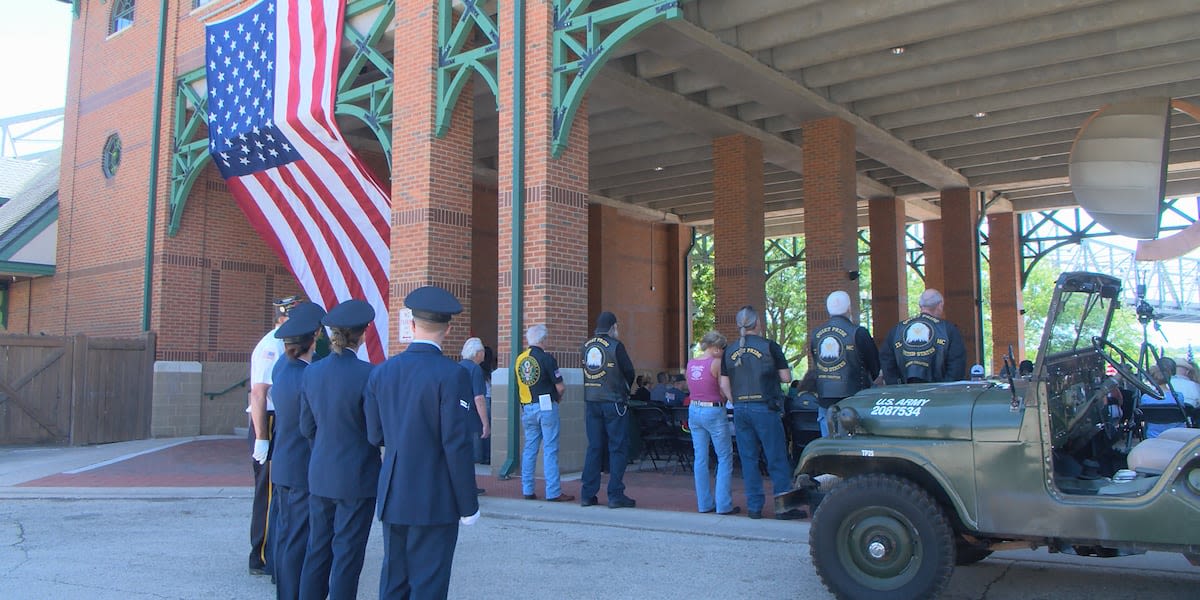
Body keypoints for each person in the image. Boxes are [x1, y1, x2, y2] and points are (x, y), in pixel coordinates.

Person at [363, 286, 480, 600]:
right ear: (448, 329)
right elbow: (456, 445)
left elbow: (375, 435)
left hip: (394, 492)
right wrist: (468, 504)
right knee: (428, 585)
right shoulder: (452, 375)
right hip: (434, 496)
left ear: (412, 325)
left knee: (394, 583)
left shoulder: (382, 373)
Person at [298, 299, 380, 600]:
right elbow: (375, 433)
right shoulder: (368, 374)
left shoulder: (312, 373)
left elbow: (306, 428)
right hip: (357, 477)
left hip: (320, 472)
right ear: (363, 333)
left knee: (317, 551)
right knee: (347, 555)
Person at [266, 301, 325, 600]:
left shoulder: (282, 369)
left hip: (285, 461)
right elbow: (312, 425)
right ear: (312, 339)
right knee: (299, 538)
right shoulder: (309, 376)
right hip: (302, 464)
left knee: (287, 532)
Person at [721, 305, 798, 520]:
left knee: (748, 459)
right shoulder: (769, 346)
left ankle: (754, 507)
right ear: (758, 324)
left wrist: (735, 401)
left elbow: (724, 383)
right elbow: (785, 378)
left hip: (741, 409)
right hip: (764, 406)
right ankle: (784, 506)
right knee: (776, 457)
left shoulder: (730, 350)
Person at [248, 294, 302, 577]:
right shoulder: (271, 346)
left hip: (279, 418)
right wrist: (261, 436)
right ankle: (261, 555)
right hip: (267, 420)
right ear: (281, 319)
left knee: (279, 489)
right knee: (268, 491)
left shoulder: (286, 344)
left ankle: (274, 552)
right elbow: (259, 393)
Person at [580, 311, 638, 509]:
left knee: (594, 447)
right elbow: (629, 371)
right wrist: (625, 390)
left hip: (591, 400)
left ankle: (587, 494)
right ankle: (615, 494)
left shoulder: (586, 346)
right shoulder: (616, 346)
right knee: (617, 447)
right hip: (613, 401)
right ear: (613, 327)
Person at [515, 324, 574, 503]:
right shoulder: (548, 359)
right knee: (550, 449)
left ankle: (527, 489)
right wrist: (558, 398)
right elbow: (560, 387)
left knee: (529, 449)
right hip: (546, 406)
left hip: (527, 407)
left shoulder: (520, 359)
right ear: (542, 340)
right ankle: (553, 491)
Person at [809, 290, 880, 437]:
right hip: (855, 401)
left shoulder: (815, 334)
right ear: (849, 308)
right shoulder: (858, 333)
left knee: (829, 449)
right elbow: (875, 368)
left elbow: (817, 363)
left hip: (825, 401)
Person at [686, 331, 739, 515]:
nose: (724, 352)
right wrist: (729, 400)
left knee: (700, 457)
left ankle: (704, 503)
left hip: (694, 409)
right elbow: (723, 388)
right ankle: (723, 504)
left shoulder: (691, 363)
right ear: (716, 347)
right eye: (723, 348)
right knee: (724, 456)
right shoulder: (716, 363)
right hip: (713, 409)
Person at [880, 289, 967, 384]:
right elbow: (957, 367)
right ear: (940, 305)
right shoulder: (948, 330)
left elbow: (886, 362)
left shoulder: (897, 330)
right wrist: (945, 390)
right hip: (938, 394)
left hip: (905, 394)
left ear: (920, 306)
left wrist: (896, 387)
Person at [459, 337, 490, 484]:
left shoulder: (458, 367)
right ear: (477, 353)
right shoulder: (475, 369)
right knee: (471, 454)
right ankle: (469, 485)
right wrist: (485, 423)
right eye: (482, 351)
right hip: (471, 417)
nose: (484, 354)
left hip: (457, 416)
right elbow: (479, 398)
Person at [1139, 363, 1188, 438]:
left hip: (1153, 437)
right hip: (1177, 436)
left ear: (1151, 379)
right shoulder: (1178, 396)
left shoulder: (1146, 398)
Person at [480, 345, 497, 465]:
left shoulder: (479, 370)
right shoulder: (491, 370)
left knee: (484, 428)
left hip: (484, 399)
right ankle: (487, 455)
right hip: (491, 399)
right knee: (488, 428)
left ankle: (484, 455)